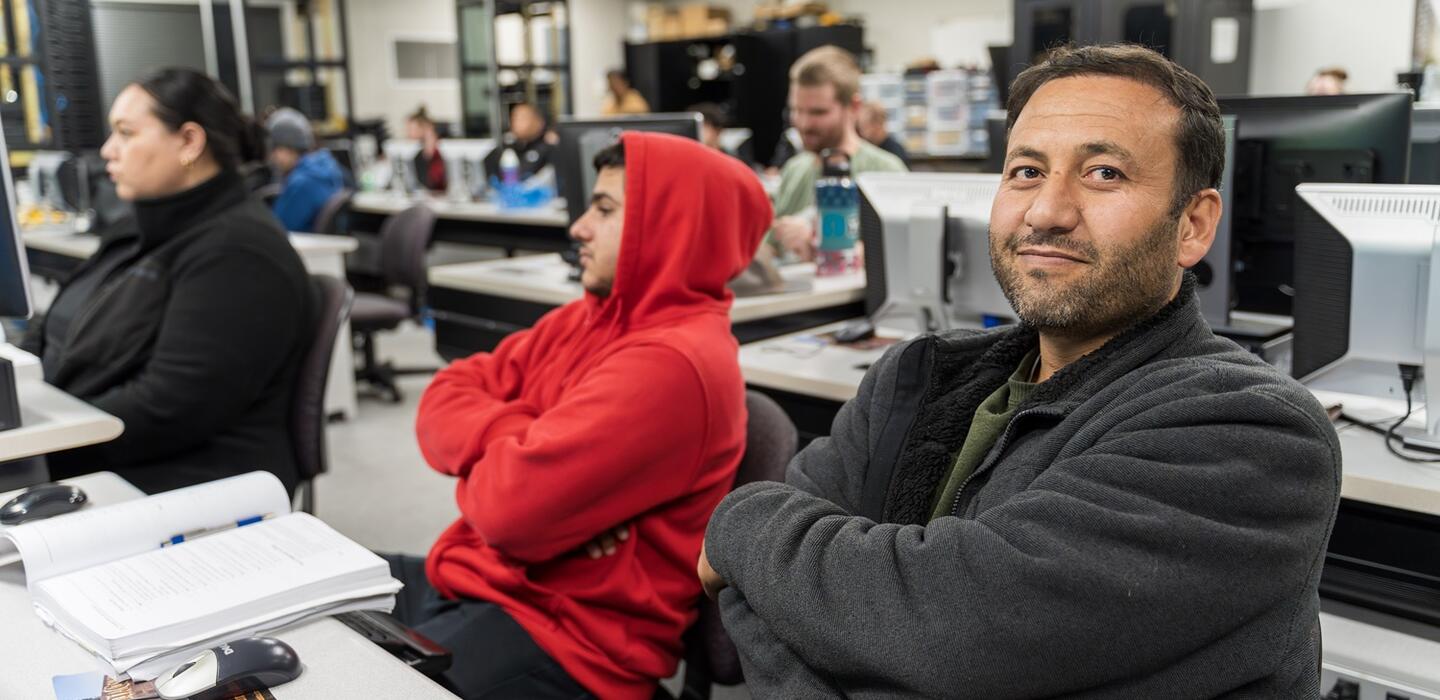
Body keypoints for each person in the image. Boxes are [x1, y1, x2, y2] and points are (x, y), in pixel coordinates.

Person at [700, 44, 1342, 696]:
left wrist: (741, 522)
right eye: (1026, 171)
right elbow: (751, 613)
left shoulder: (1254, 432)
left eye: (1104, 174)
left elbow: (964, 637)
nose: (1046, 211)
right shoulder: (916, 377)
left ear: (1194, 225)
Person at [395, 132, 771, 699]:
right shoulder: (588, 318)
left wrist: (507, 446)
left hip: (566, 643)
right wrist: (521, 435)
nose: (578, 228)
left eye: (605, 209)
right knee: (297, 597)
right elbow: (444, 390)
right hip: (484, 581)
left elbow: (505, 511)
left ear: (669, 225)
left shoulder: (673, 365)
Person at [26, 68, 312, 495]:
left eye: (126, 133)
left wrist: (39, 445)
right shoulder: (140, 230)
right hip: (90, 451)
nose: (108, 150)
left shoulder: (239, 254)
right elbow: (55, 326)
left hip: (178, 485)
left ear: (189, 142)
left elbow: (166, 409)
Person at [767, 46, 907, 261]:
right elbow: (769, 249)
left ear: (853, 106)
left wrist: (824, 247)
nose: (803, 124)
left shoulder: (885, 172)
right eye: (796, 110)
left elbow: (902, 253)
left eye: (818, 112)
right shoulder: (795, 170)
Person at [267, 107, 344, 231]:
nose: (273, 157)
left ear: (286, 148)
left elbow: (276, 231)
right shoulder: (328, 167)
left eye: (275, 149)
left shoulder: (301, 184)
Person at [481, 102, 554, 183]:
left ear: (539, 122)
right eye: (514, 118)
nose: (516, 122)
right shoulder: (509, 146)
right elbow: (486, 168)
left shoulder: (548, 146)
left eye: (522, 118)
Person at [858, 99, 910, 167]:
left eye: (864, 125)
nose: (861, 131)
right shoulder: (865, 148)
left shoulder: (895, 152)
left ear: (878, 124)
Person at [407, 105, 447, 192]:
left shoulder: (443, 151)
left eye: (411, 129)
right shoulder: (418, 154)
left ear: (425, 127)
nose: (408, 133)